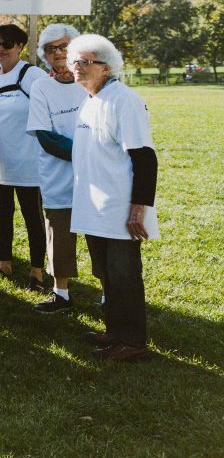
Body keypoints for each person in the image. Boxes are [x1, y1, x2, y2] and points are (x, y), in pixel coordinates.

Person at [69, 34, 158, 362]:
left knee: (123, 274)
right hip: (95, 207)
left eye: (85, 62)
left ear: (106, 68)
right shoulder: (90, 99)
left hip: (120, 208)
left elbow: (145, 158)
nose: (76, 67)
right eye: (74, 61)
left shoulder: (123, 100)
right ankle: (115, 331)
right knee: (105, 273)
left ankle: (133, 341)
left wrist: (139, 208)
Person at [0, 22, 46, 292]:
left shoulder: (32, 75)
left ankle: (37, 273)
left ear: (20, 46)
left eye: (7, 44)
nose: (1, 49)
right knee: (1, 214)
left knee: (33, 217)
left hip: (29, 163)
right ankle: (4, 265)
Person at [25, 24, 87, 313]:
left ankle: (108, 294)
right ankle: (61, 293)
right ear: (44, 55)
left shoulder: (92, 81)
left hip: (96, 178)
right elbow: (46, 136)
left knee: (102, 237)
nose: (58, 53)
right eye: (51, 49)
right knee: (59, 235)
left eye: (64, 46)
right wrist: (89, 153)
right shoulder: (41, 87)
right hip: (58, 176)